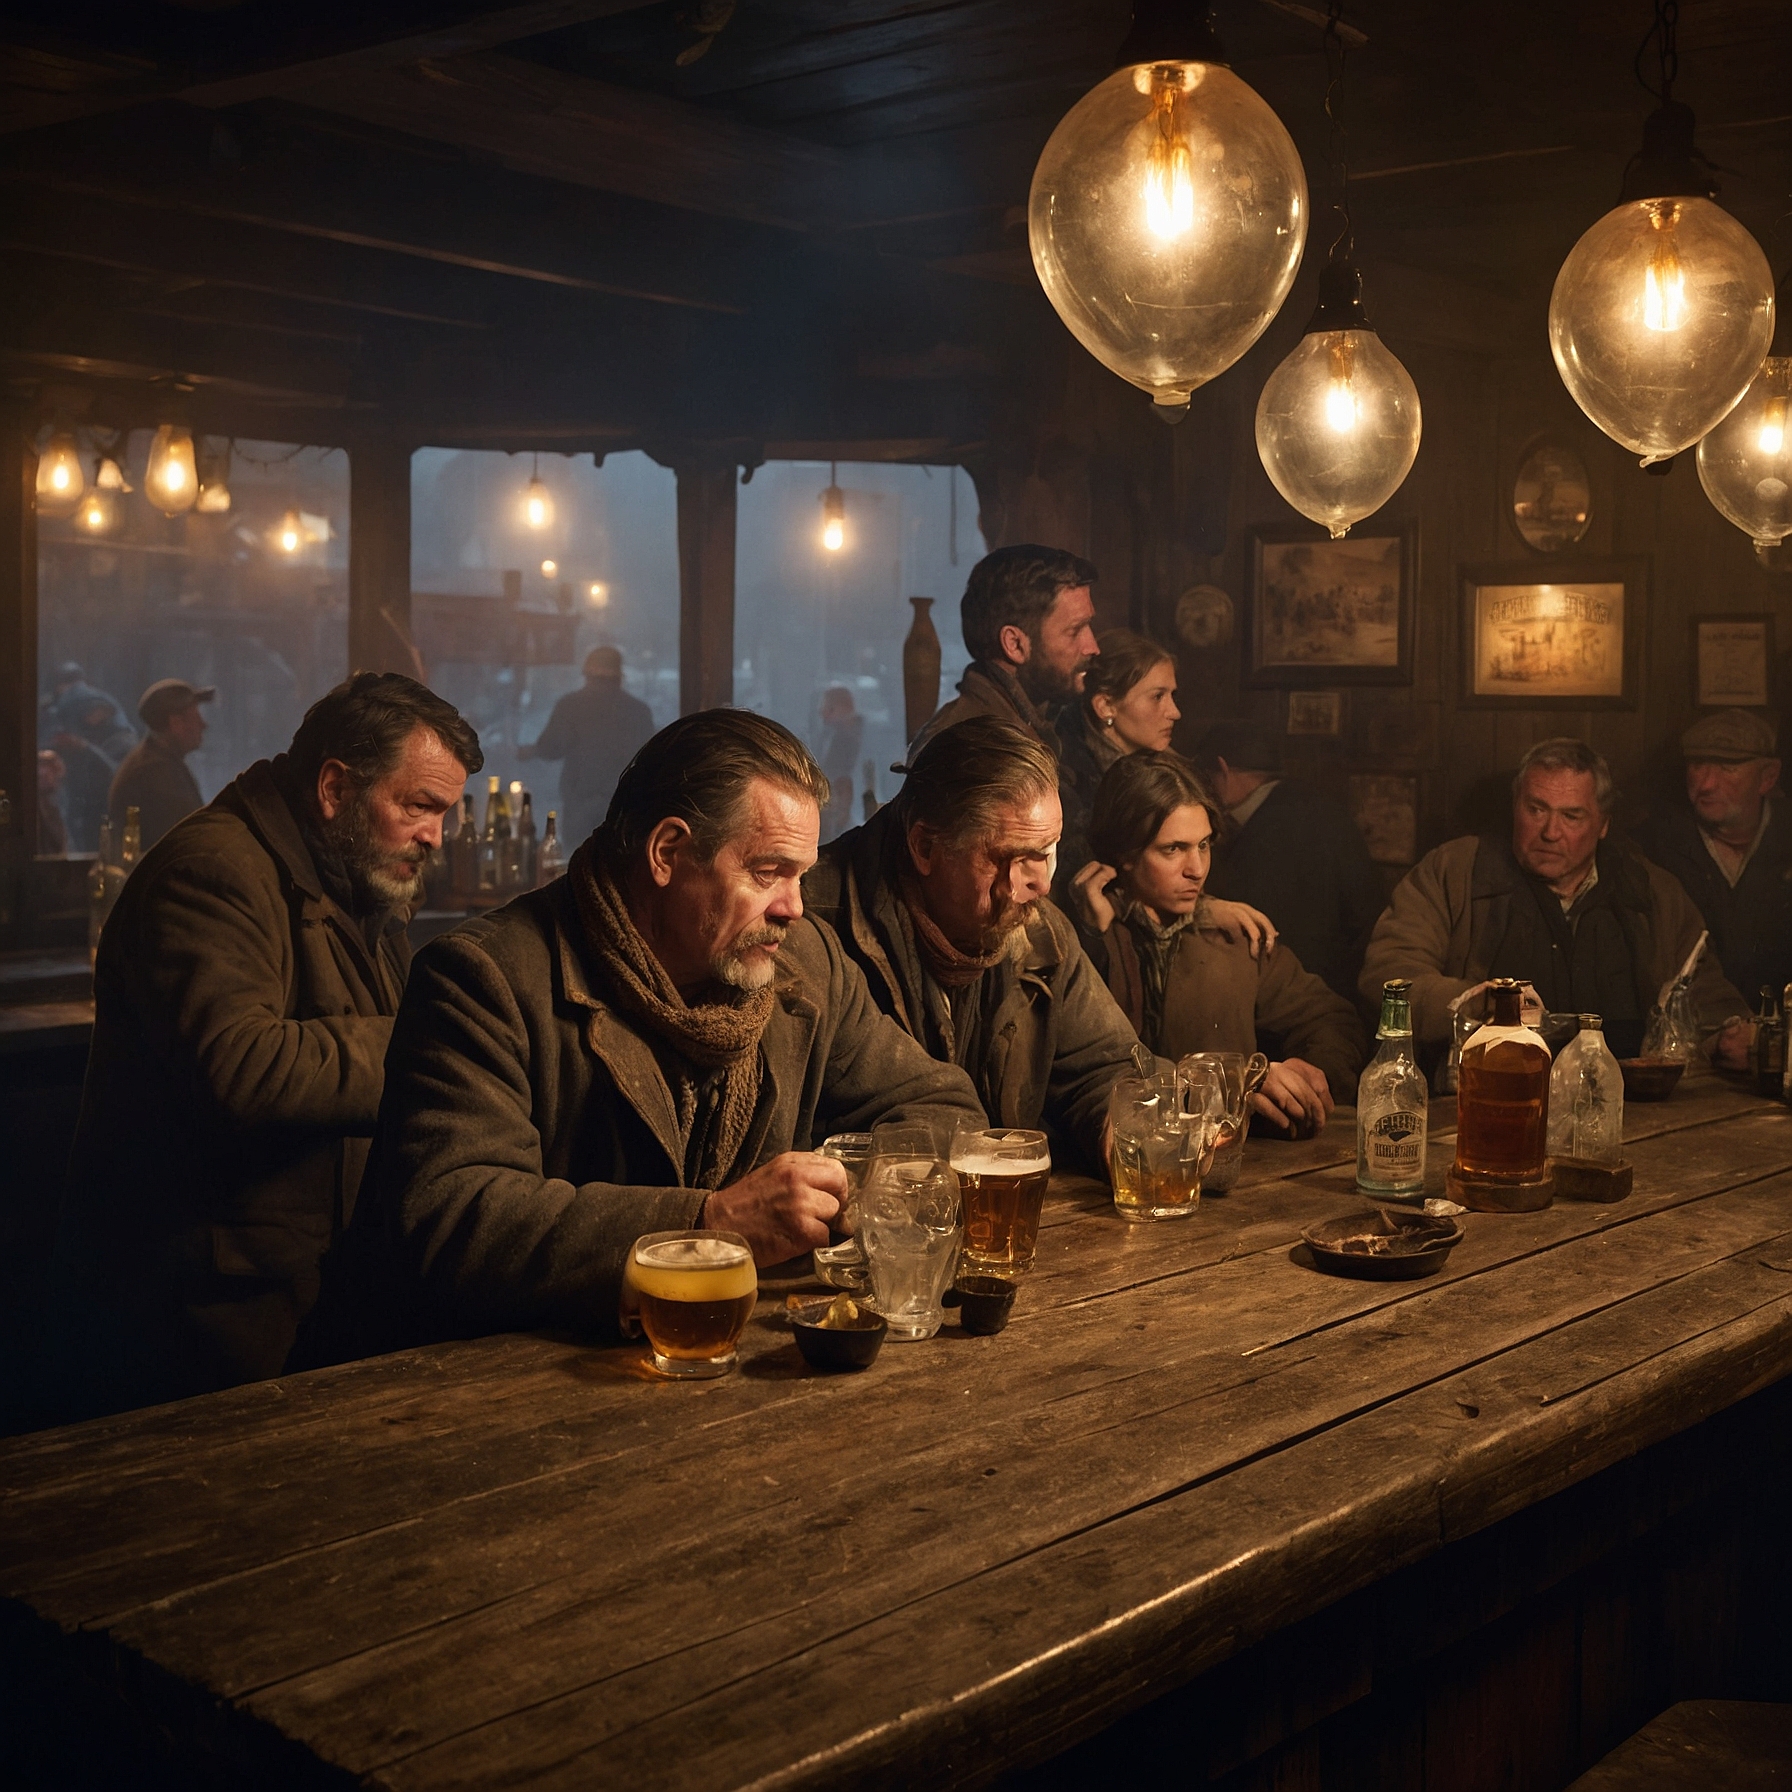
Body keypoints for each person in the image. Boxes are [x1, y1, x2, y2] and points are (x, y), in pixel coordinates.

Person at [295, 709, 981, 1365]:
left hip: (723, 1375)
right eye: (768, 872)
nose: (794, 908)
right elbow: (452, 1217)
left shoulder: (808, 963)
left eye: (801, 877)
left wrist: (858, 1183)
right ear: (667, 852)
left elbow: (941, 1110)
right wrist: (709, 1228)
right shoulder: (485, 976)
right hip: (484, 1396)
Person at [53, 673, 481, 1417]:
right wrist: (434, 1048)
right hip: (204, 1319)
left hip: (294, 1297)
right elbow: (241, 1066)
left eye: (445, 812)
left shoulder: (354, 879)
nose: (434, 835)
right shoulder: (212, 872)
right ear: (333, 787)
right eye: (418, 806)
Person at [803, 715, 1140, 1173]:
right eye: (1014, 857)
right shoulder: (808, 925)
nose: (1040, 884)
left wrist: (1122, 1128)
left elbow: (1102, 1069)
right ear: (924, 847)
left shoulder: (1040, 933)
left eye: (1048, 851)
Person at [1360, 737, 1750, 1067]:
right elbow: (1389, 976)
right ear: (1516, 807)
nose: (1550, 832)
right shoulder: (1455, 871)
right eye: (1536, 810)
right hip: (1485, 1098)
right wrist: (1473, 1004)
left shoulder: (1650, 891)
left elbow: (1705, 994)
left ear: (1603, 825)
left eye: (1572, 816)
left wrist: (1723, 1038)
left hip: (1629, 1106)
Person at [1071, 751, 1367, 1136]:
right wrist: (1093, 937)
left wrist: (1305, 1078)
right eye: (1173, 849)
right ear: (1124, 855)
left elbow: (1331, 1020)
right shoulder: (1086, 937)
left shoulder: (1232, 936)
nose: (1196, 869)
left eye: (1204, 845)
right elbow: (1095, 1070)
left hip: (1230, 1167)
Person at [1194, 718, 1387, 1004]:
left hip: (1297, 1003)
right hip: (1348, 994)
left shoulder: (1267, 834)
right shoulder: (1321, 808)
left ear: (1221, 771)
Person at [1630, 709, 1790, 1005]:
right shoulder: (1654, 844)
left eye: (1727, 768)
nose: (1705, 784)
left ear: (1768, 777)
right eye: (1698, 765)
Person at [905, 544, 1100, 762]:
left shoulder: (1045, 722)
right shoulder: (967, 750)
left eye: (1088, 626)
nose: (1092, 647)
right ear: (1015, 644)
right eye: (1075, 631)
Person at [1054, 628, 1182, 902]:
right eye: (1158, 696)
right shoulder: (1070, 783)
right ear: (1106, 706)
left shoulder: (1173, 771)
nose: (1174, 712)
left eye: (1172, 695)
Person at [519, 645, 656, 846]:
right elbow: (649, 763)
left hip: (580, 808)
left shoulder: (571, 706)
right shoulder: (639, 712)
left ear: (587, 673)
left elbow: (552, 747)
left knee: (577, 864)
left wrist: (530, 751)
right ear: (619, 675)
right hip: (625, 810)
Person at [108, 677, 214, 852]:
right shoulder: (154, 771)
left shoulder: (160, 763)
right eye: (196, 715)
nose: (203, 724)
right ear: (176, 723)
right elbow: (188, 841)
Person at [815, 684, 863, 840]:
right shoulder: (829, 736)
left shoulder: (851, 741)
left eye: (830, 709)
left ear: (846, 708)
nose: (822, 714)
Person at [36, 748, 69, 856]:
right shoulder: (32, 813)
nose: (45, 773)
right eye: (42, 766)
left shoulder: (55, 807)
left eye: (54, 769)